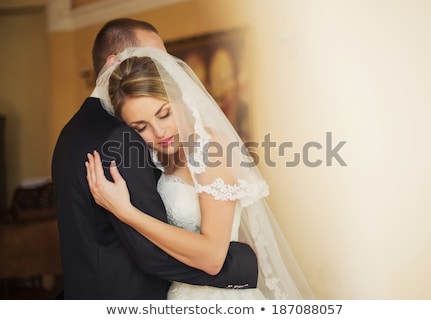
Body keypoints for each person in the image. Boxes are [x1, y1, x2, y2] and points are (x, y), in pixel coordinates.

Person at [51, 18, 259, 299]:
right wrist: (242, 264)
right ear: (114, 64)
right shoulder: (119, 136)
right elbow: (150, 253)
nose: (162, 68)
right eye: (152, 58)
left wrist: (127, 212)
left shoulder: (73, 130)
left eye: (163, 114)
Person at [86, 46, 315, 299]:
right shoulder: (156, 157)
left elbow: (213, 258)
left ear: (182, 99)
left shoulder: (211, 149)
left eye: (164, 114)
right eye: (141, 127)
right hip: (178, 293)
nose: (159, 132)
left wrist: (126, 212)